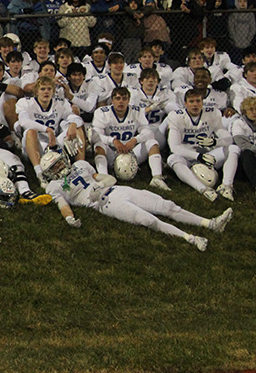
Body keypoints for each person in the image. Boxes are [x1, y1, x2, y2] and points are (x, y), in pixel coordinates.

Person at [41, 150, 231, 252]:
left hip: (117, 190)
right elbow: (63, 205)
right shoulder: (54, 186)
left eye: (59, 162)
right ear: (49, 172)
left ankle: (210, 223)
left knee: (167, 206)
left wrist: (104, 182)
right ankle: (190, 239)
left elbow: (103, 178)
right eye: (54, 166)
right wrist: (69, 218)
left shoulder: (80, 165)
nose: (59, 166)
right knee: (148, 220)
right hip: (105, 204)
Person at [165, 89, 239, 201]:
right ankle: (203, 189)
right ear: (185, 103)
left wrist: (215, 142)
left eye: (198, 101)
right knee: (173, 158)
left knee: (233, 148)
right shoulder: (176, 116)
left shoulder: (212, 113)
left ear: (203, 102)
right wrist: (198, 157)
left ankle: (226, 186)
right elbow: (174, 147)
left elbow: (228, 139)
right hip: (187, 156)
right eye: (191, 101)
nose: (195, 104)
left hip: (207, 154)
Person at [91, 87, 168, 190]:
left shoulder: (137, 111)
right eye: (118, 98)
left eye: (124, 98)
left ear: (129, 100)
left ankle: (157, 178)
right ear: (112, 100)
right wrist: (113, 141)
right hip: (112, 152)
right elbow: (95, 137)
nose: (121, 102)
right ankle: (104, 177)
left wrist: (135, 140)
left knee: (152, 142)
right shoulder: (102, 112)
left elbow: (148, 133)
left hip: (131, 151)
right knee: (99, 145)